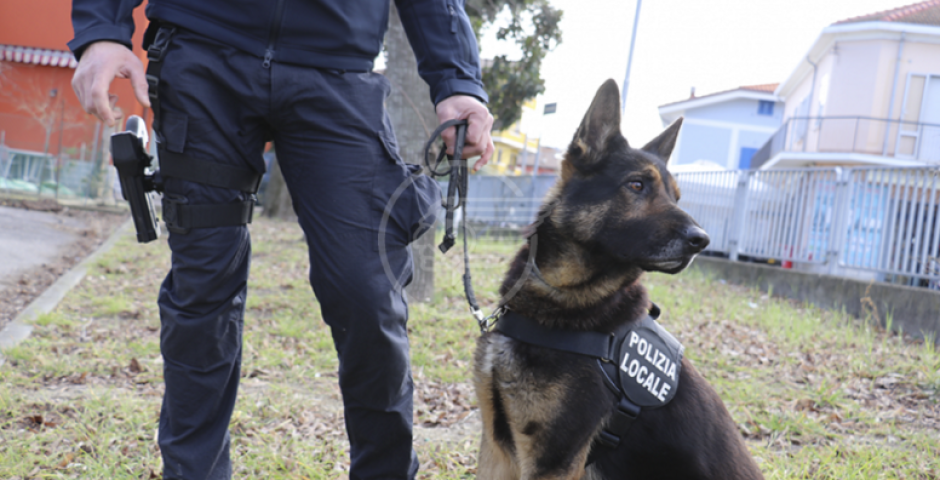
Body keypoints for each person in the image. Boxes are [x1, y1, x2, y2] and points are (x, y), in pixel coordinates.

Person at [68, 1, 494, 479]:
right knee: (203, 288)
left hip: (338, 68)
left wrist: (457, 81)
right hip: (205, 49)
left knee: (367, 292)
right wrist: (101, 30)